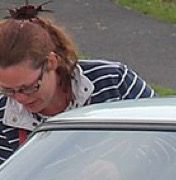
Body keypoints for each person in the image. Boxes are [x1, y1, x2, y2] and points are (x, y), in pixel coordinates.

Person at [0, 4, 152, 166]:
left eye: (28, 87)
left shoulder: (113, 81)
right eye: (8, 90)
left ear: (51, 62)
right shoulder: (3, 115)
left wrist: (122, 167)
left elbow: (172, 140)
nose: (20, 98)